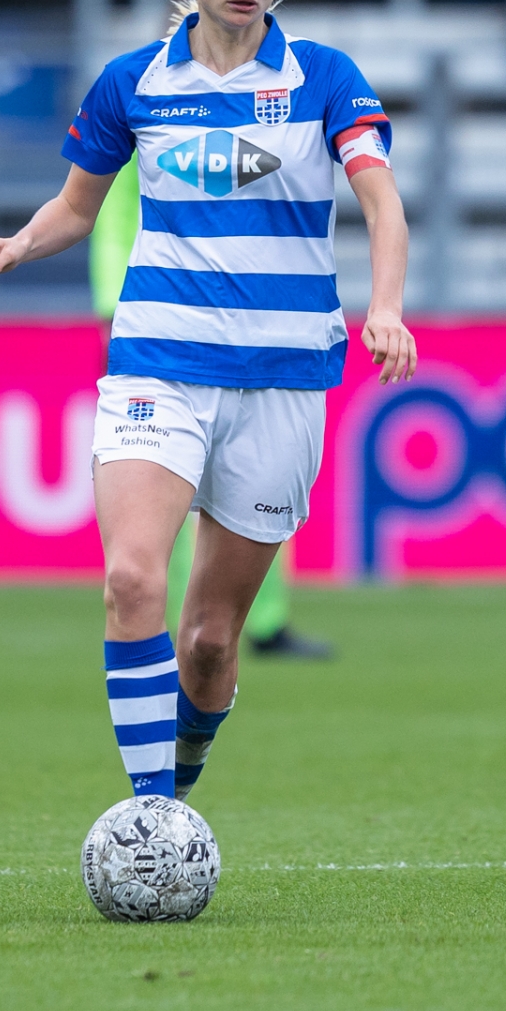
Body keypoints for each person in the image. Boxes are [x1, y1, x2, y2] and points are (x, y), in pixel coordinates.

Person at [0, 0, 416, 804]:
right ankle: (150, 817)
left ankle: (182, 780)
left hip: (283, 377)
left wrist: (387, 306)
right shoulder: (135, 83)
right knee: (132, 579)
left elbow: (382, 201)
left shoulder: (322, 78)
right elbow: (76, 208)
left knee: (210, 640)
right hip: (158, 362)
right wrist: (17, 244)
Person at [92, 157, 335, 661]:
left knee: (262, 477)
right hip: (162, 326)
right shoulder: (153, 105)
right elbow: (115, 215)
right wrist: (112, 309)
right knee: (173, 491)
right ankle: (186, 622)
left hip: (247, 321)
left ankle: (260, 620)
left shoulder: (249, 114)